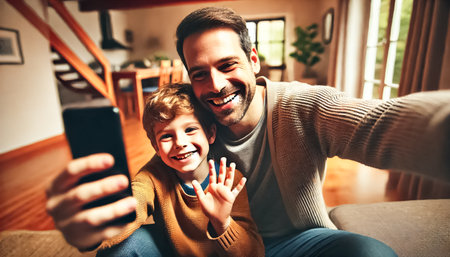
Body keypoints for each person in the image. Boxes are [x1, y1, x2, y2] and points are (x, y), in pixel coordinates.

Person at [46, 6, 450, 257]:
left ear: (253, 59)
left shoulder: (302, 106)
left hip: (295, 241)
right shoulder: (195, 123)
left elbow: (380, 124)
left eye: (227, 65)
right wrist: (100, 224)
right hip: (206, 246)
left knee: (369, 252)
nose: (216, 85)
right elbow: (147, 185)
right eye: (200, 74)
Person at [48, 83, 264, 256]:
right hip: (172, 251)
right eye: (167, 136)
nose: (180, 142)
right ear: (156, 147)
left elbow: (253, 253)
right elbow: (135, 204)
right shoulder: (153, 176)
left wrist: (222, 222)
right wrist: (95, 230)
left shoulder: (229, 179)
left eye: (190, 130)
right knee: (122, 248)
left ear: (210, 134)